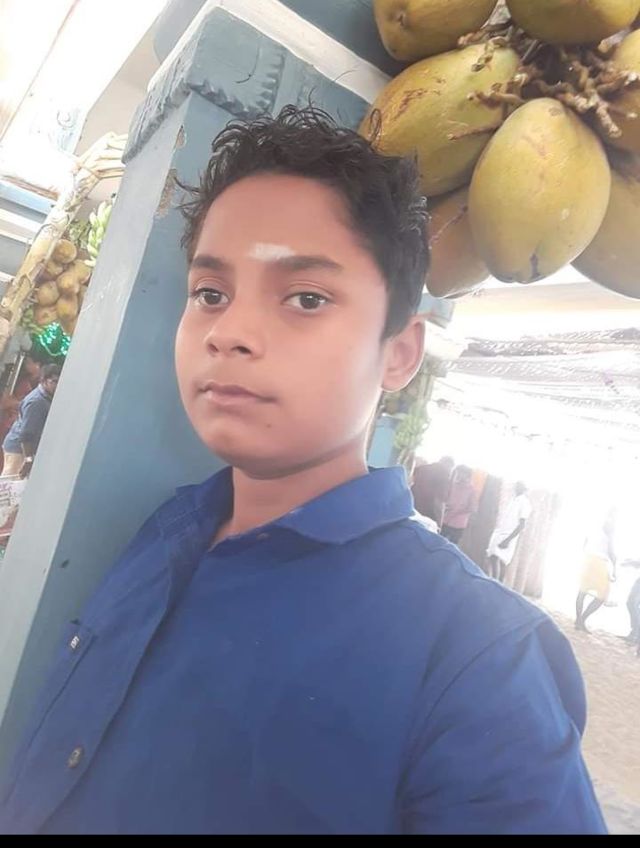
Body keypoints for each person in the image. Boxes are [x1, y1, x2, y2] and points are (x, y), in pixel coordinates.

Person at [0, 107, 605, 835]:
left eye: (306, 298)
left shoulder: (483, 659)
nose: (230, 333)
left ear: (399, 354)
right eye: (211, 294)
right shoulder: (167, 532)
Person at [1, 364, 60, 478]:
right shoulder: (36, 402)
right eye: (54, 381)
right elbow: (26, 434)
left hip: (23, 448)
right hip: (18, 450)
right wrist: (28, 459)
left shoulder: (46, 397)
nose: (57, 386)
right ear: (43, 380)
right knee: (11, 484)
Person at [575, 515, 617, 633]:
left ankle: (578, 620)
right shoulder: (610, 527)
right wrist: (614, 569)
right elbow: (611, 552)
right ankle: (582, 620)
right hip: (599, 564)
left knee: (582, 591)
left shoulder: (594, 525)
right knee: (603, 595)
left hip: (588, 560)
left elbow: (585, 543)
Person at [486, 481, 532, 583]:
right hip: (501, 532)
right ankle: (494, 582)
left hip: (509, 535)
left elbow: (521, 525)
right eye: (516, 485)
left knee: (501, 560)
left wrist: (508, 540)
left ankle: (497, 583)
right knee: (493, 556)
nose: (516, 487)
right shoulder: (513, 500)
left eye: (519, 486)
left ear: (524, 488)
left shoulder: (525, 503)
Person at [411, 455, 454, 527]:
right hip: (427, 516)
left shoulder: (421, 469)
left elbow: (411, 484)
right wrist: (439, 524)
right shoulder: (443, 475)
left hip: (412, 509)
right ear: (449, 466)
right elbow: (439, 502)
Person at [441, 465, 476, 545]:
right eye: (457, 473)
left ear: (467, 475)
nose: (458, 475)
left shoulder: (471, 489)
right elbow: (445, 499)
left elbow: (472, 507)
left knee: (452, 546)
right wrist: (446, 507)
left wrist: (457, 512)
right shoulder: (452, 485)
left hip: (458, 524)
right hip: (445, 520)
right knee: (438, 543)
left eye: (461, 473)